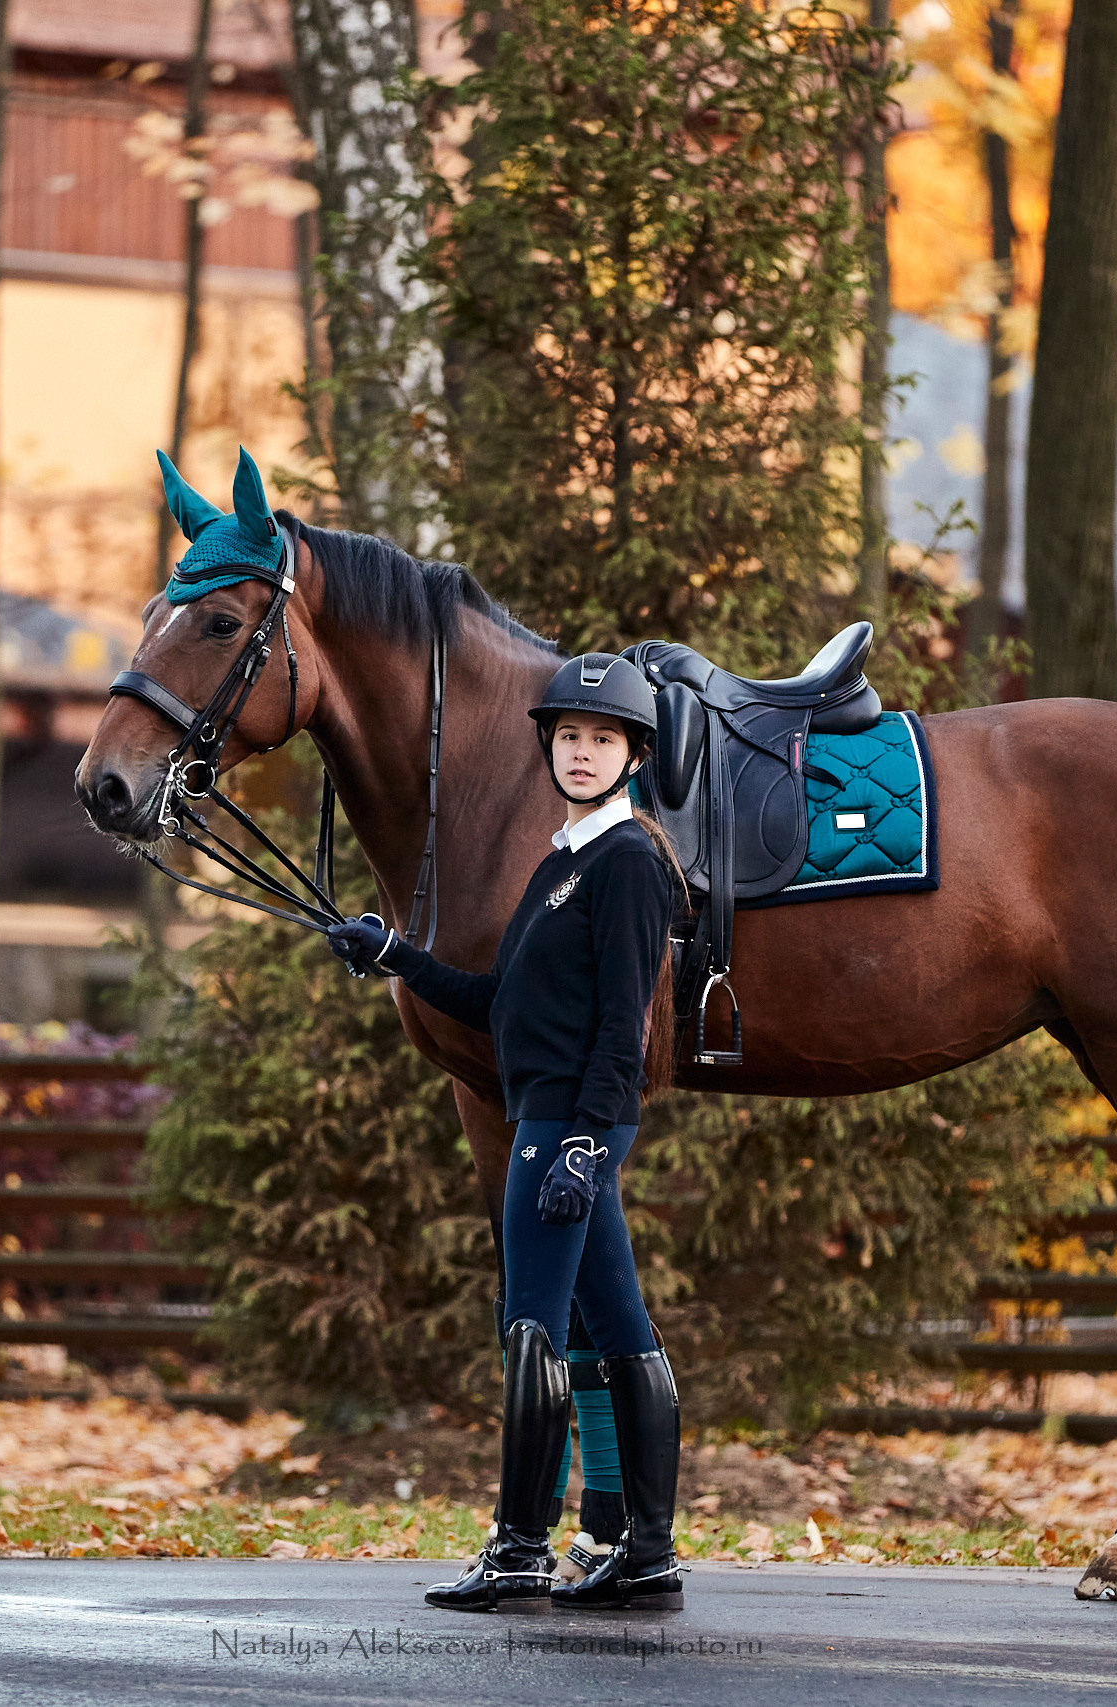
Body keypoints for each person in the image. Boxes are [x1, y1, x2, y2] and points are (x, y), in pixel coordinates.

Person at [327, 652, 685, 1614]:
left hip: (565, 1126)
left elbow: (627, 1022)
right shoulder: (560, 862)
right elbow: (496, 1002)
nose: (580, 751)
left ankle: (520, 1549)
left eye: (602, 738)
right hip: (554, 1118)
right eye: (568, 735)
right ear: (547, 746)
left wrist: (584, 1140)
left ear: (634, 755)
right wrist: (395, 953)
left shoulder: (629, 863)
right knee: (618, 1326)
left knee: (533, 1324)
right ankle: (646, 1557)